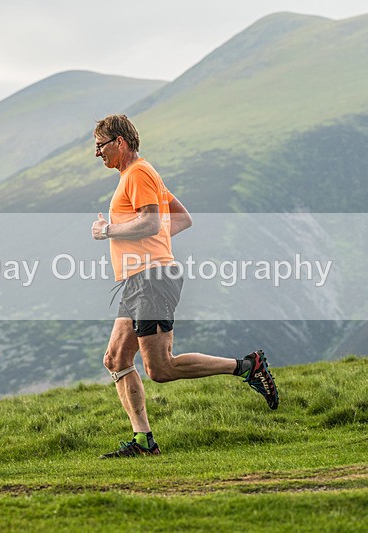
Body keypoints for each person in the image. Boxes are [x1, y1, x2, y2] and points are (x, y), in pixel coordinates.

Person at [90, 114, 279, 458]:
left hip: (152, 279)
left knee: (160, 369)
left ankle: (248, 366)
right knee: (115, 358)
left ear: (120, 141)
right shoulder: (137, 175)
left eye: (100, 145)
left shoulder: (139, 173)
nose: (97, 153)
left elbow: (149, 222)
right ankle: (144, 441)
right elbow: (181, 218)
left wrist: (110, 232)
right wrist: (151, 240)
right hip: (139, 279)